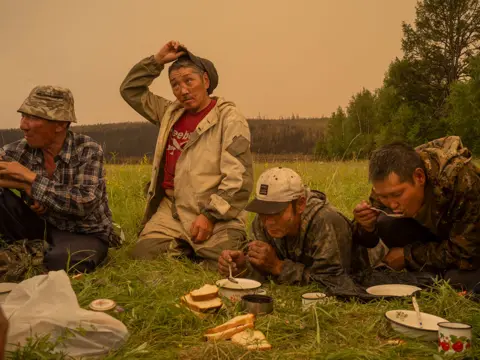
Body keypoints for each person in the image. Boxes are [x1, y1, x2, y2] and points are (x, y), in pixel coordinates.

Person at [120, 40, 253, 268]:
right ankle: (186, 248)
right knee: (143, 256)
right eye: (175, 84)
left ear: (205, 81)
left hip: (216, 212)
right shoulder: (170, 113)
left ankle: (193, 250)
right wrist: (157, 61)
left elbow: (239, 180)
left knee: (226, 261)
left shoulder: (229, 118)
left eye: (189, 81)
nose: (182, 90)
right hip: (172, 210)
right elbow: (130, 90)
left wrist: (210, 216)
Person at [0, 85, 121, 279]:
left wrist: (29, 179)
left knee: (61, 263)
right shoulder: (18, 151)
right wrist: (22, 186)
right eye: (23, 116)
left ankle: (35, 253)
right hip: (40, 226)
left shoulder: (87, 150)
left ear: (60, 124)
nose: (23, 125)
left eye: (33, 117)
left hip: (83, 232)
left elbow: (84, 203)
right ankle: (34, 249)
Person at [353, 137, 480, 291]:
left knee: (457, 281)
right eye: (383, 196)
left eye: (398, 194)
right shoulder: (387, 186)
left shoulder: (463, 182)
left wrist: (408, 256)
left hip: (471, 245)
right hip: (439, 237)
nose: (392, 204)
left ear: (419, 177)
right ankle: (432, 272)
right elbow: (368, 239)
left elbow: (468, 252)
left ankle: (436, 275)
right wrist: (365, 226)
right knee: (385, 223)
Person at [218, 167, 356, 286]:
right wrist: (243, 267)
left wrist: (279, 267)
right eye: (263, 212)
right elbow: (263, 270)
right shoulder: (262, 220)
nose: (269, 222)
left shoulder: (325, 221)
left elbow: (333, 281)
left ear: (300, 204)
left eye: (277, 213)